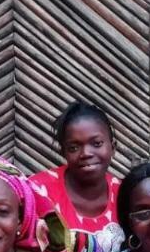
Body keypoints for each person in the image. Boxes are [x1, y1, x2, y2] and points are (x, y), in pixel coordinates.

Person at [30, 100, 122, 235]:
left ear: (113, 148)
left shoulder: (125, 195)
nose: (86, 153)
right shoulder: (38, 191)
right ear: (64, 153)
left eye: (97, 144)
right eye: (73, 148)